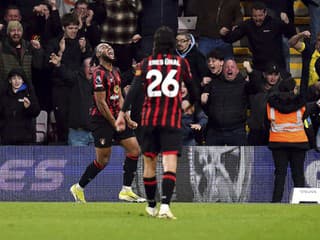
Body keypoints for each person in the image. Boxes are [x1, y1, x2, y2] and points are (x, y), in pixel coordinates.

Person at [115, 26, 198, 219]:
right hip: (171, 120)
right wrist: (189, 103)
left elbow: (134, 89)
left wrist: (122, 112)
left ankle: (151, 205)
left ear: (155, 43)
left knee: (149, 164)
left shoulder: (146, 63)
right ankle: (165, 207)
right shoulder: (180, 62)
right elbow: (193, 89)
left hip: (149, 119)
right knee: (169, 164)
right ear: (172, 43)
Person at [70, 43, 145, 203]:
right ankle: (79, 187)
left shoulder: (115, 72)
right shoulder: (98, 73)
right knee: (103, 160)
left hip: (117, 118)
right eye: (104, 48)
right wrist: (114, 122)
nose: (109, 49)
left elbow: (119, 98)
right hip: (101, 121)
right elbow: (101, 103)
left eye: (110, 48)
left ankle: (126, 190)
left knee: (134, 150)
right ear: (98, 55)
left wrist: (127, 118)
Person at [266, 78, 320, 202]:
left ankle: (275, 202)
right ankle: (300, 202)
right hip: (298, 143)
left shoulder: (271, 104)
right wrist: (312, 144)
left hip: (277, 142)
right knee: (298, 174)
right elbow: (307, 124)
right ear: (293, 89)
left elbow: (266, 123)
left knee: (280, 174)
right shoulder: (301, 105)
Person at [219, 1, 296, 75]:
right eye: (255, 16)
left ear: (265, 13)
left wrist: (287, 23)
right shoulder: (248, 25)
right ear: (251, 14)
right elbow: (231, 38)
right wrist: (224, 34)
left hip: (276, 67)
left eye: (260, 16)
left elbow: (290, 33)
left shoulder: (275, 23)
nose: (257, 19)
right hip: (258, 67)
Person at [0, 68, 40, 145]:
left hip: (25, 138)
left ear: (23, 80)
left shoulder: (29, 92)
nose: (17, 81)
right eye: (14, 78)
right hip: (7, 138)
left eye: (19, 78)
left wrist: (28, 107)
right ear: (10, 80)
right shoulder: (3, 94)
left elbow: (36, 111)